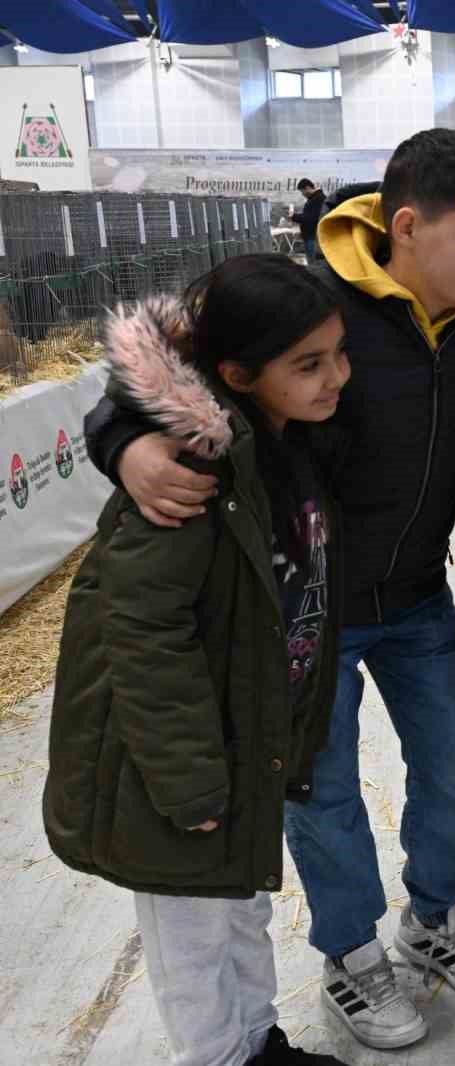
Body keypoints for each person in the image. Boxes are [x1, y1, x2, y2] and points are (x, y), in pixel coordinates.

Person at [80, 130, 455, 1052]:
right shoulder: (306, 300)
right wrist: (121, 441)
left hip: (413, 596)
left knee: (451, 766)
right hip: (306, 609)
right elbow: (160, 371)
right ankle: (350, 952)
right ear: (407, 228)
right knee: (322, 793)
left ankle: (435, 918)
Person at [44, 254, 352, 1066]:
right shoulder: (190, 472)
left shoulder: (283, 445)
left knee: (241, 908)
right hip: (179, 762)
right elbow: (140, 627)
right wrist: (186, 780)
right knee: (191, 940)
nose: (336, 379)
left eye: (339, 354)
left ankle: (258, 1042)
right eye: (310, 365)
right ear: (237, 374)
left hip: (243, 736)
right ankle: (217, 1055)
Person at [292, 179, 327, 263]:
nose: (302, 194)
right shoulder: (314, 198)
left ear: (307, 188)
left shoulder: (318, 199)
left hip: (313, 237)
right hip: (311, 237)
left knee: (314, 264)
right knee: (312, 262)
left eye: (302, 191)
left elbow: (311, 219)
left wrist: (294, 216)